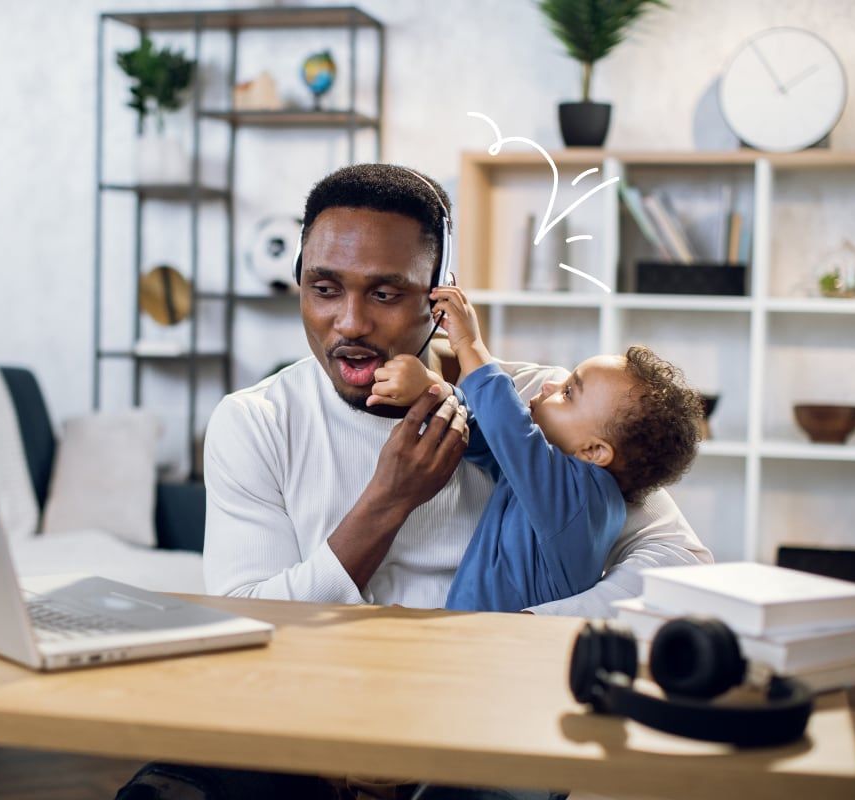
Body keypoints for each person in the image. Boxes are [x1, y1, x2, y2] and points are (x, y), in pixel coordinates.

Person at [115, 163, 711, 800]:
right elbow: (249, 625)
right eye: (324, 288)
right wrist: (389, 499)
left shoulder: (536, 408)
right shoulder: (255, 422)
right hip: (308, 724)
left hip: (476, 728)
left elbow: (677, 569)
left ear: (440, 295)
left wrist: (489, 646)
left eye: (385, 293)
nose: (348, 323)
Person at [367, 286, 704, 612]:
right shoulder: (553, 482)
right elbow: (489, 440)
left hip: (506, 650)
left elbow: (509, 429)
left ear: (593, 451)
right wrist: (433, 393)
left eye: (569, 392)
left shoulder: (583, 501)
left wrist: (469, 344)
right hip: (471, 634)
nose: (551, 383)